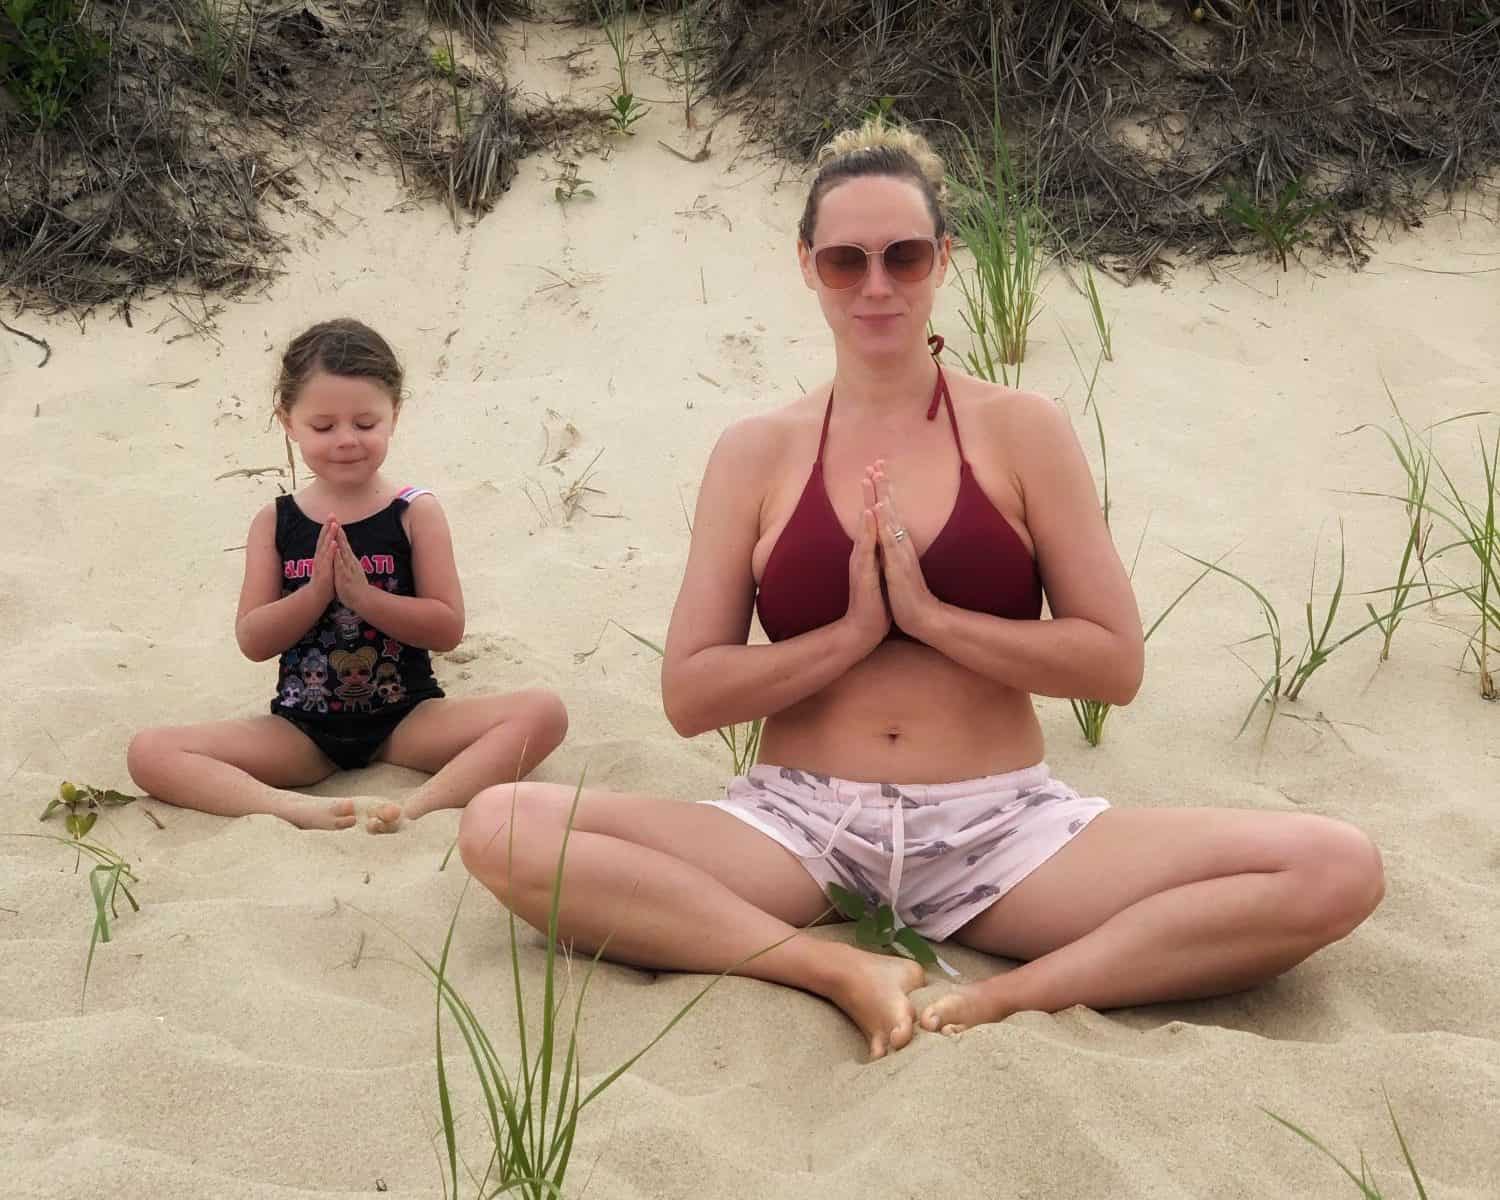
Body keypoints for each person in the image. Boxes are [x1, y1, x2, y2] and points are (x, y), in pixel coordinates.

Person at [456, 123, 1384, 1058]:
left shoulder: (1023, 429)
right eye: (843, 261)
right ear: (806, 266)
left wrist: (935, 619)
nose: (875, 285)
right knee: (501, 825)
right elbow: (691, 695)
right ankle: (832, 966)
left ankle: (1012, 994)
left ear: (943, 257)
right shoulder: (756, 451)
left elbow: (1114, 664)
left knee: (1335, 867)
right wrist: (853, 634)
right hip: (794, 827)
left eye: (903, 256)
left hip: (1005, 830)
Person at [128, 319, 567, 833]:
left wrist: (365, 598)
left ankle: (417, 806)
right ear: (287, 421)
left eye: (365, 423)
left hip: (406, 719)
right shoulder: (275, 521)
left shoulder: (414, 512)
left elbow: (447, 629)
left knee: (545, 712)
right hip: (301, 729)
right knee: (149, 752)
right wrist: (315, 593)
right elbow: (252, 639)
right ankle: (294, 809)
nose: (346, 441)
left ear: (394, 416)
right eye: (323, 426)